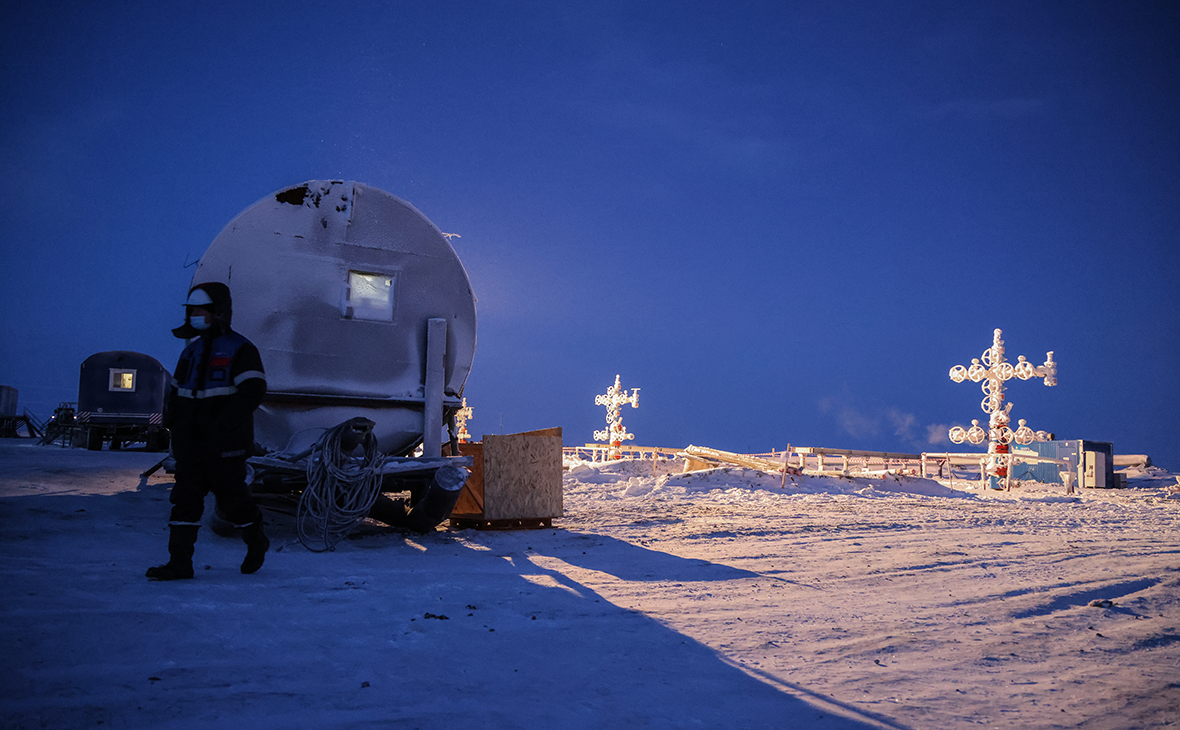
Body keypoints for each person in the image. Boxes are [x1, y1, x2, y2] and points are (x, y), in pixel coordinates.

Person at [146, 282, 269, 580]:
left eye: (202, 310)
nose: (196, 315)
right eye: (193, 310)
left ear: (219, 313)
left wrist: (223, 425)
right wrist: (172, 422)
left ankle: (257, 541)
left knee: (232, 502)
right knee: (184, 501)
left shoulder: (241, 349)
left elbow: (252, 391)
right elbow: (176, 393)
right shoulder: (191, 352)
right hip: (191, 446)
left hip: (224, 446)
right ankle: (179, 564)